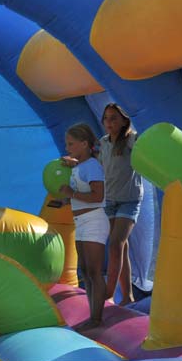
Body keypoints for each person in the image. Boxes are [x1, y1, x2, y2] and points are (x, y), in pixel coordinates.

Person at [59, 123, 109, 331]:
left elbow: (98, 196)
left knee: (94, 271)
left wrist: (72, 195)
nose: (67, 148)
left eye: (71, 144)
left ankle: (97, 318)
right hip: (81, 221)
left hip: (94, 220)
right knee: (86, 271)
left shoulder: (92, 166)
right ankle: (93, 313)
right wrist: (68, 200)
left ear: (84, 144)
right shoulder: (80, 166)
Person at [98, 103, 142, 305]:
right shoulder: (104, 142)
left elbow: (142, 144)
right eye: (106, 118)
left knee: (116, 244)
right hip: (110, 200)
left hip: (129, 200)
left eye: (114, 118)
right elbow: (101, 165)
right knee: (120, 248)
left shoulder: (131, 140)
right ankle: (127, 296)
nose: (109, 122)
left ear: (124, 120)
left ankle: (108, 294)